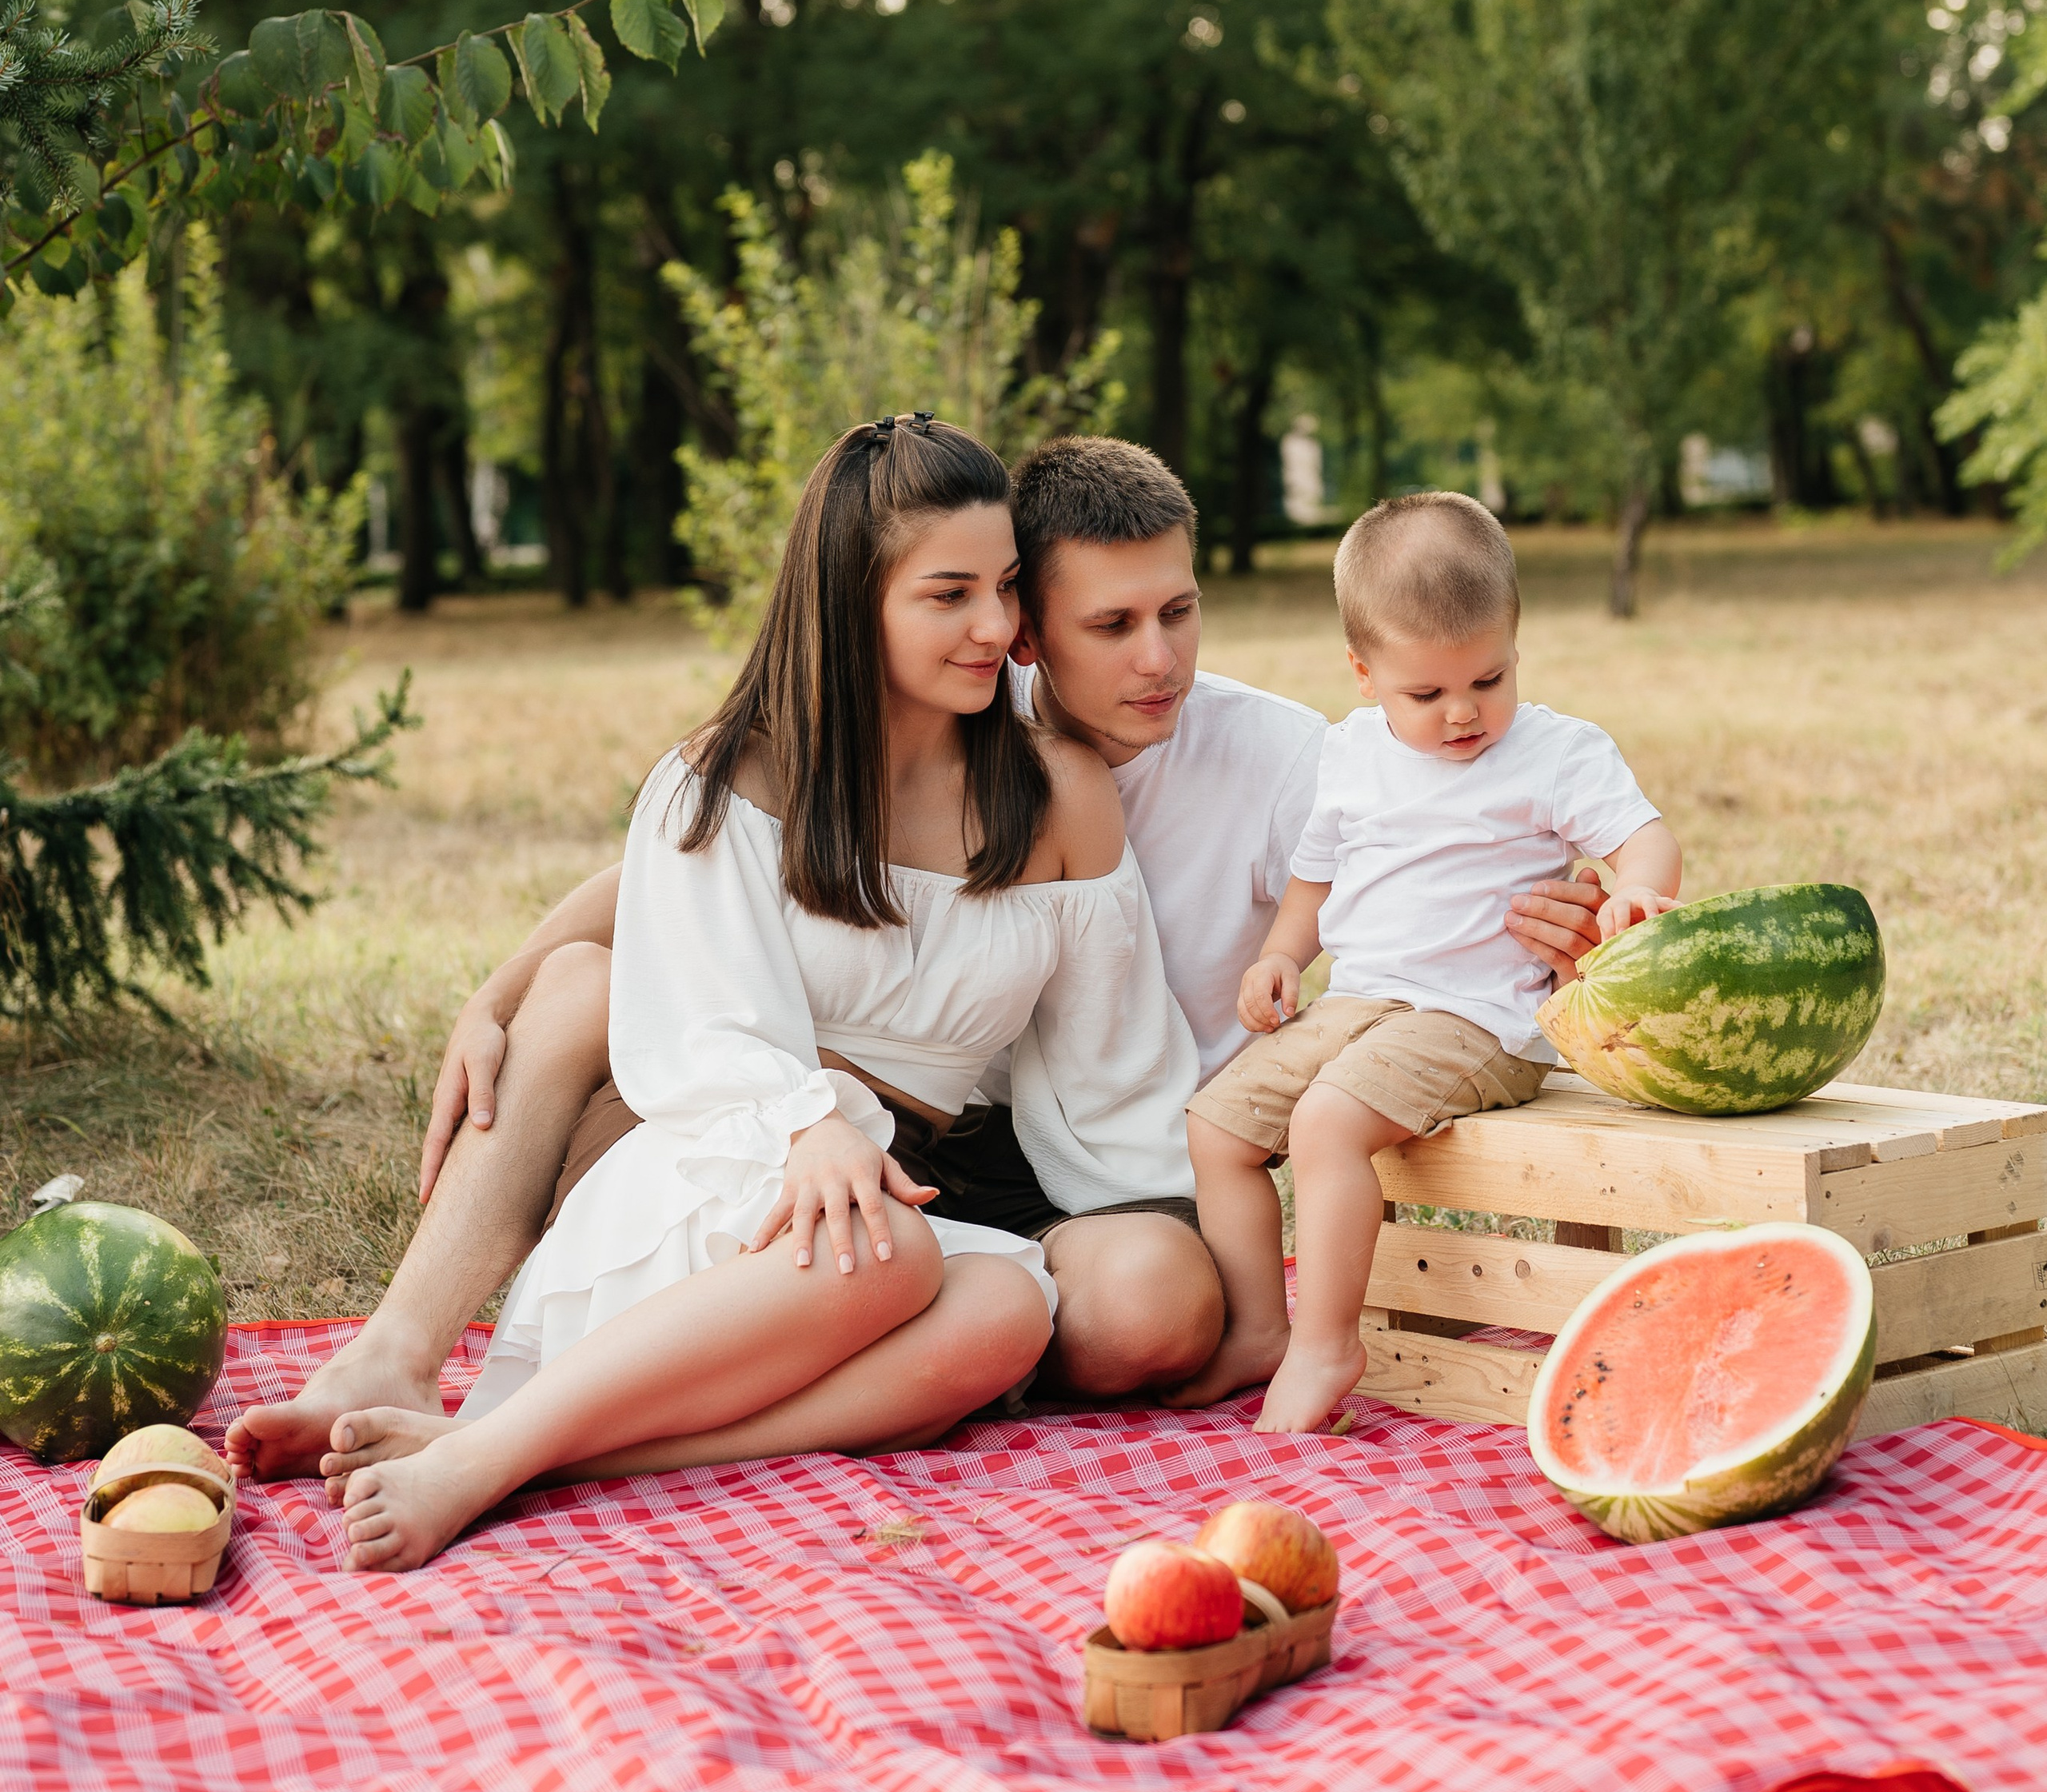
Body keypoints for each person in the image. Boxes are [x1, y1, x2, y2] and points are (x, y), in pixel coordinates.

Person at [229, 436, 1612, 1484]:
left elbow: (1445, 821)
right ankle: (401, 1351)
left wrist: (1563, 902)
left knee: (1125, 1310)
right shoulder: (948, 701)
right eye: (1099, 621)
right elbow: (680, 865)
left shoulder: (1274, 758)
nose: (1158, 657)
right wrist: (503, 979)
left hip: (1072, 1147)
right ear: (1027, 626)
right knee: (587, 986)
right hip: (806, 1119)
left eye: (1178, 611)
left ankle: (686, 1398)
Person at [230, 416, 1201, 1567]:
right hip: (724, 1154)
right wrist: (806, 1126)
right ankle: (457, 1418)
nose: (996, 628)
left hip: (893, 1191)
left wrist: (1196, 1237)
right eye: (948, 596)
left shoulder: (1053, 792)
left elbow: (1111, 1066)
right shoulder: (727, 775)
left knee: (1003, 1311)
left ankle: (501, 1443)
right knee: (881, 1244)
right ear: (853, 598)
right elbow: (704, 1019)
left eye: (1002, 589)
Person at [1179, 490, 1683, 1433]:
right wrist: (1282, 956)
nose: (1464, 713)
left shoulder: (1555, 751)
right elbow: (1313, 883)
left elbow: (1646, 839)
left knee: (1327, 1122)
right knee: (1217, 1126)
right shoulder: (1350, 752)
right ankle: (1257, 1328)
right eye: (1428, 693)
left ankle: (1328, 1342)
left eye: (1488, 679)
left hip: (1480, 1017)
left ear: (1515, 647)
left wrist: (1636, 895)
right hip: (1362, 1001)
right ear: (1364, 674)